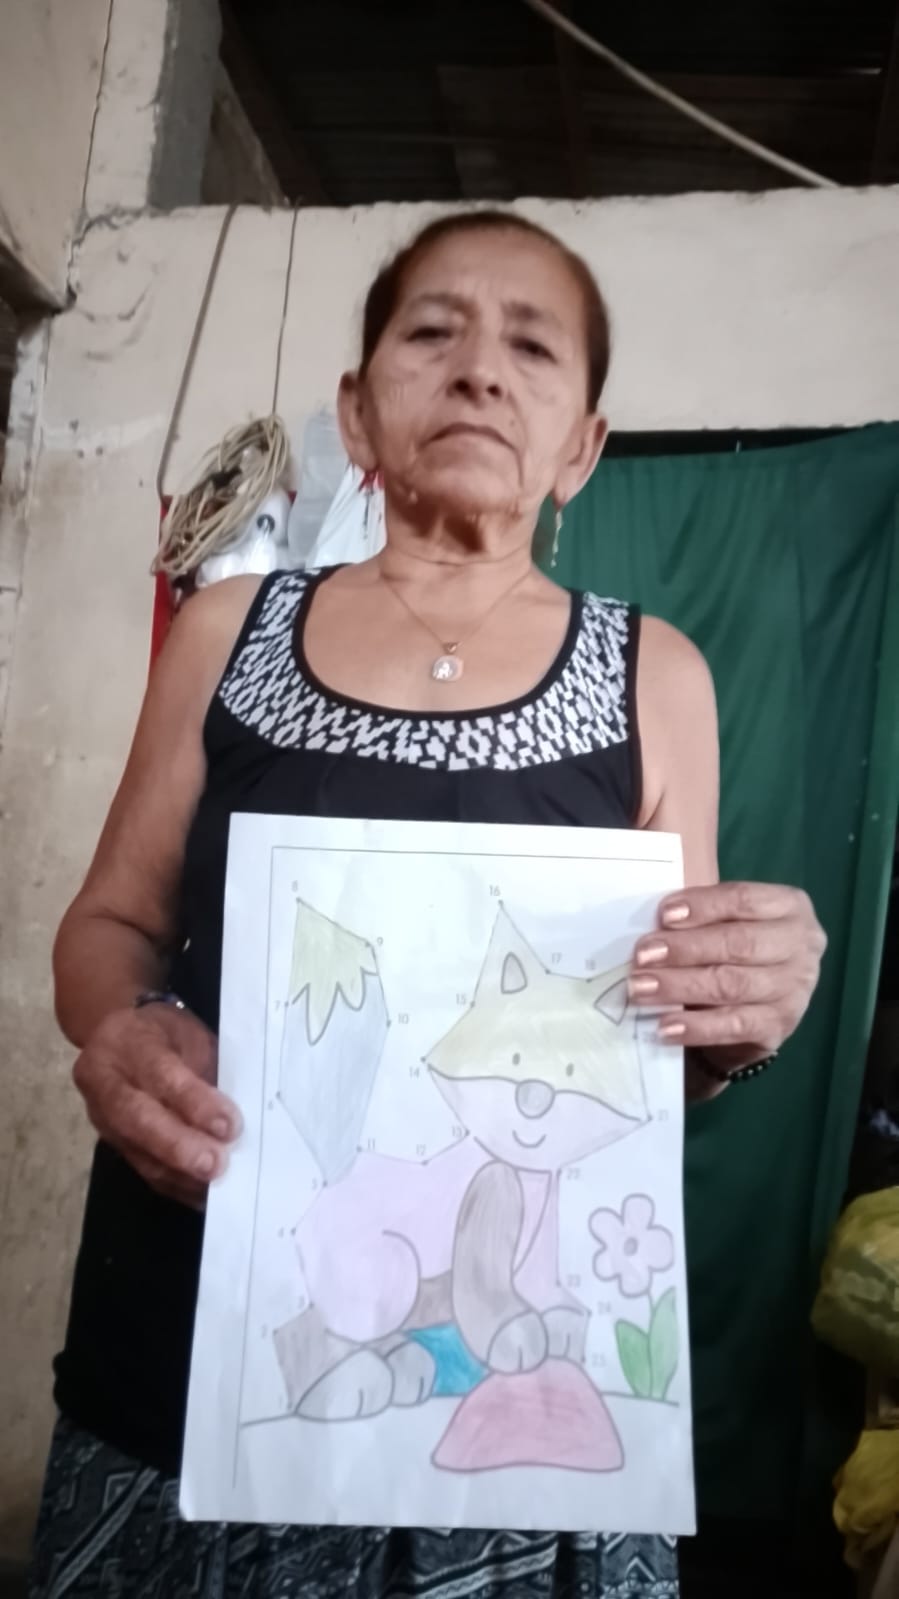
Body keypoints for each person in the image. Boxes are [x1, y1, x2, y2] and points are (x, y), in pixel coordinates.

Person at [32, 210, 825, 1599]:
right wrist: (121, 1029)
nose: (479, 371)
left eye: (534, 348)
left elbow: (664, 1041)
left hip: (515, 1401)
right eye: (433, 332)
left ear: (582, 445)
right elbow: (107, 929)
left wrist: (748, 1009)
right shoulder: (229, 634)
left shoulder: (656, 677)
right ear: (358, 409)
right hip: (201, 1329)